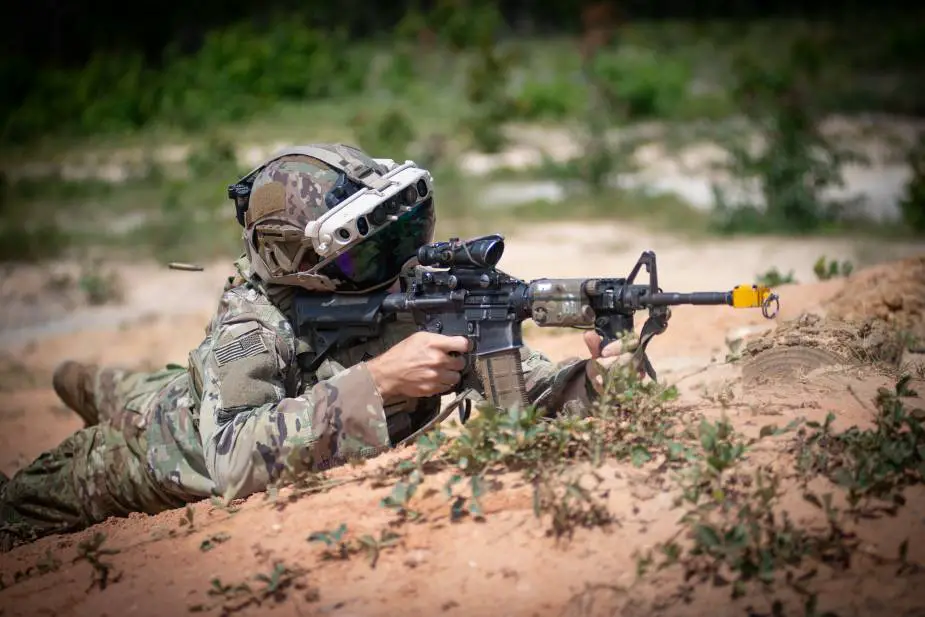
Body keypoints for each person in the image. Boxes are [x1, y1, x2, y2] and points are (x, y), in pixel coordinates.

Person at [0, 144, 642, 552]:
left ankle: (88, 381)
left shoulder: (412, 287)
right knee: (25, 502)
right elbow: (229, 461)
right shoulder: (251, 325)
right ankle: (85, 386)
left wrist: (598, 377)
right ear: (302, 262)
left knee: (133, 384)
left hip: (185, 390)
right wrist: (381, 383)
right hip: (164, 450)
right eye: (373, 248)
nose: (402, 259)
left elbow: (526, 389)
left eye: (404, 233)